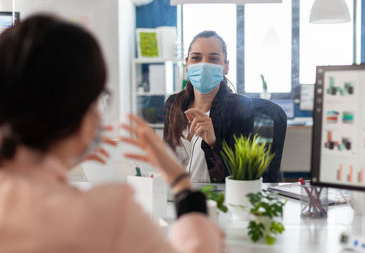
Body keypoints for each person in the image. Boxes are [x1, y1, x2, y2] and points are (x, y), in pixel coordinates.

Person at [0, 14, 223, 253]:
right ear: (85, 114)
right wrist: (181, 184)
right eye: (101, 97)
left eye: (213, 58)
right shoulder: (111, 215)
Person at [164, 31, 254, 183]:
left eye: (213, 58)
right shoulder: (174, 103)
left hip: (218, 200)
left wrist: (213, 143)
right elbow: (166, 160)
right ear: (187, 63)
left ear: (226, 67)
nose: (204, 64)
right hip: (175, 197)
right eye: (196, 58)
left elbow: (242, 176)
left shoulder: (238, 107)